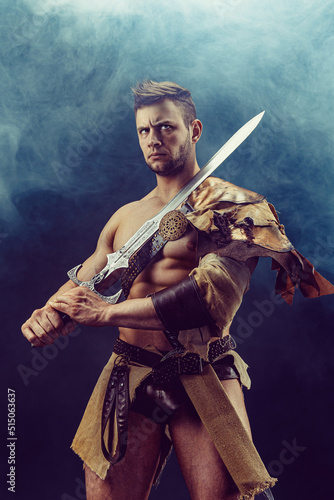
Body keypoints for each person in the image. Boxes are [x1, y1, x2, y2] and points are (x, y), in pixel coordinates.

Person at [21, 81, 334, 500]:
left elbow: (208, 301)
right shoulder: (125, 217)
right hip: (129, 370)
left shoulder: (232, 208)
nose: (154, 139)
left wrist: (106, 314)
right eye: (144, 131)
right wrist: (50, 311)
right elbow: (87, 281)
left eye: (166, 127)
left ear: (194, 130)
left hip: (201, 366)